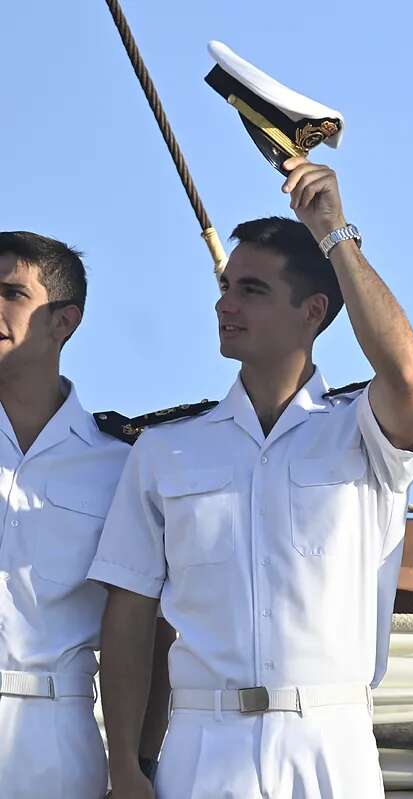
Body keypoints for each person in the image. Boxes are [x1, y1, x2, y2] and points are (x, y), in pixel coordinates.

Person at [90, 157, 413, 798]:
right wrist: (124, 767)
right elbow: (131, 613)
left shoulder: (363, 432)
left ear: (313, 310)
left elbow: (408, 377)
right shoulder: (166, 451)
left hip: (329, 743)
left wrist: (335, 234)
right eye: (225, 287)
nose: (226, 304)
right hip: (201, 745)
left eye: (252, 290)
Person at [0, 231, 170, 796]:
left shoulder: (121, 465)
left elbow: (146, 630)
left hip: (55, 729)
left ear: (64, 323)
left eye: (10, 294)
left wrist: (132, 762)